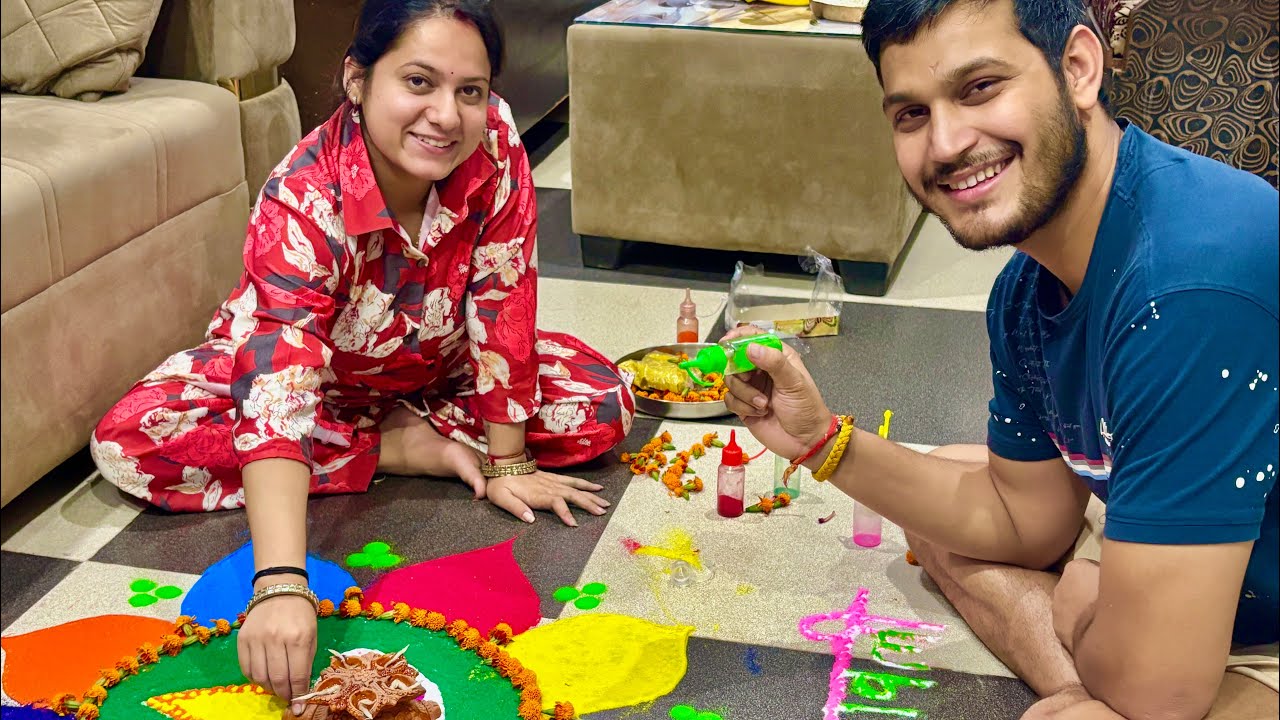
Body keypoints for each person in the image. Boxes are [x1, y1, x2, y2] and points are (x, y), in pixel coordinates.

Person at [724, 0, 1278, 717]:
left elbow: (1157, 690)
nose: (947, 142)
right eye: (911, 115)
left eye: (979, 87)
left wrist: (1083, 602)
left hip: (1249, 638)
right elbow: (1028, 521)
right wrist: (824, 442)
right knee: (941, 486)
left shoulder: (1186, 288)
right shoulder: (1027, 288)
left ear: (1078, 67)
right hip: (1197, 587)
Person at [90, 0, 634, 711]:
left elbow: (505, 298)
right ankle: (398, 449)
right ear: (357, 80)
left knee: (602, 403)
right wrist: (282, 582)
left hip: (445, 370)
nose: (446, 115)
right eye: (418, 82)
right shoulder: (302, 199)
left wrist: (510, 461)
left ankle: (419, 436)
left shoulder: (494, 137)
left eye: (470, 90)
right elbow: (280, 395)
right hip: (317, 393)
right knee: (131, 440)